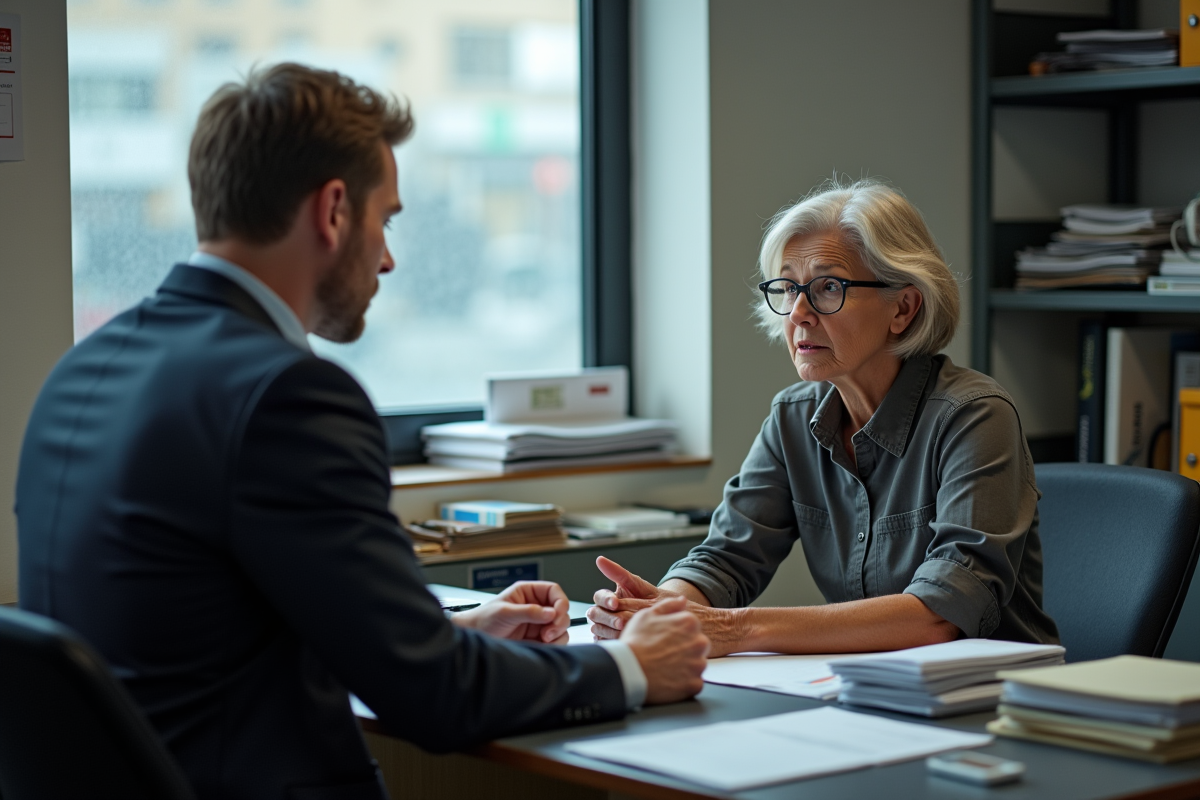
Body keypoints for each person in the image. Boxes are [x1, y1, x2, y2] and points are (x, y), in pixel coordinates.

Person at [15, 63, 708, 800]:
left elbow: (206, 641)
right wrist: (632, 667)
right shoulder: (290, 396)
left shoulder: (81, 372)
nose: (387, 257)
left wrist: (455, 638)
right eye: (387, 218)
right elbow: (436, 699)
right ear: (334, 210)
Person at [587, 179, 1059, 656]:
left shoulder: (974, 416)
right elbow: (725, 560)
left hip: (996, 700)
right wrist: (660, 610)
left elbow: (943, 612)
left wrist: (734, 629)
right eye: (789, 288)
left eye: (828, 287)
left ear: (904, 307)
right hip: (865, 694)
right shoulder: (794, 417)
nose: (799, 313)